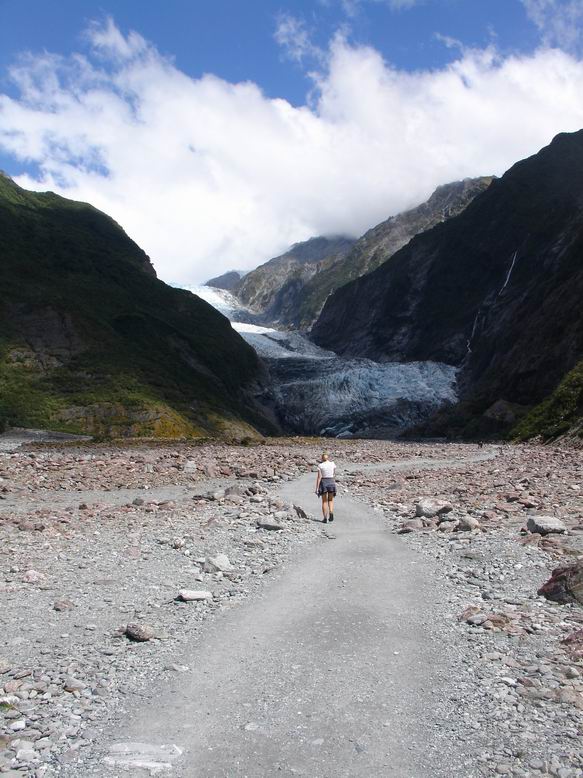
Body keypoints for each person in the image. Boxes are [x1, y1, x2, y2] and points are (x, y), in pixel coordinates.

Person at [315, 452, 336, 523]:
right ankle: (331, 512)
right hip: (331, 481)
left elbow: (319, 477)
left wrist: (317, 488)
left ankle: (325, 518)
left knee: (324, 501)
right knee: (331, 500)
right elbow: (333, 474)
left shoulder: (320, 465)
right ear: (328, 458)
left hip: (324, 482)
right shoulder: (333, 464)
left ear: (322, 458)